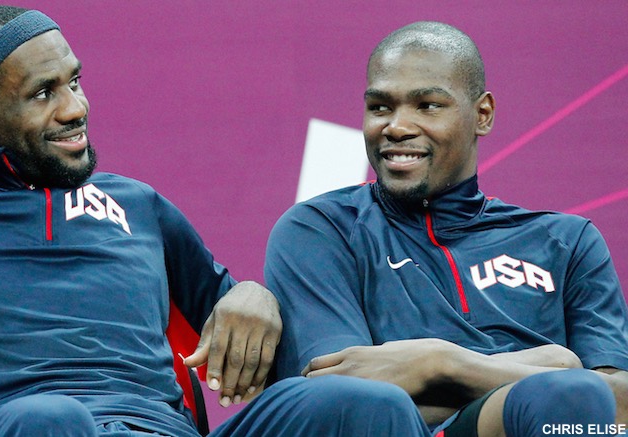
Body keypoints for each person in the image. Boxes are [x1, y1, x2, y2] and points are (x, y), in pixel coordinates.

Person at [0, 5, 436, 437]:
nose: (75, 108)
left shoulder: (137, 206)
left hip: (154, 428)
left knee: (365, 406)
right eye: (43, 93)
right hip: (20, 427)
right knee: (49, 419)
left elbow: (244, 342)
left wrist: (254, 294)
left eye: (75, 81)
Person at [265, 21, 628, 437]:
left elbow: (617, 407)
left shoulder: (567, 242)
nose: (396, 126)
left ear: (482, 115)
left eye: (428, 105)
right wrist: (552, 364)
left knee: (567, 397)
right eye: (380, 107)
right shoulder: (322, 229)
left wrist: (438, 363)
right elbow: (348, 401)